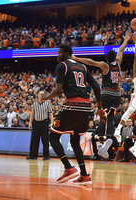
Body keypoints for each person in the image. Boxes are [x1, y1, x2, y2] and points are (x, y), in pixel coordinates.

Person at [41, 44, 105, 185]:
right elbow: (96, 86)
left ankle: (69, 168)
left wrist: (45, 97)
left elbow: (57, 91)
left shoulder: (62, 66)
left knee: (53, 136)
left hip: (73, 104)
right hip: (86, 106)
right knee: (75, 141)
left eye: (59, 53)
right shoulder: (83, 67)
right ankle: (84, 175)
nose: (57, 56)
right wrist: (99, 107)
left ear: (67, 53)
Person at [72, 30, 131, 159]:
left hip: (105, 93)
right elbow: (121, 50)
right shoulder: (119, 64)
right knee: (110, 117)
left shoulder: (105, 65)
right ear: (114, 57)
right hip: (116, 94)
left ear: (106, 58)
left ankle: (100, 140)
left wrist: (76, 59)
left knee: (102, 117)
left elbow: (91, 62)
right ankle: (109, 138)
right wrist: (126, 40)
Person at [27, 91, 53, 161]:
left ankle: (46, 156)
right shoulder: (34, 104)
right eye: (40, 95)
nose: (41, 96)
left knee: (45, 141)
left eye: (43, 95)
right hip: (36, 123)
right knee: (34, 140)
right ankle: (33, 155)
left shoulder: (47, 104)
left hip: (44, 123)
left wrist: (51, 123)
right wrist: (30, 123)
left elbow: (50, 113)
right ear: (38, 96)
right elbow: (32, 114)